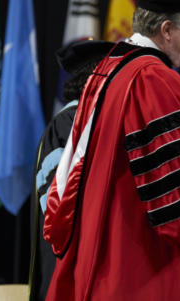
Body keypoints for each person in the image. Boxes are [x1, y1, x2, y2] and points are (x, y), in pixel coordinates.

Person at [42, 0, 180, 301]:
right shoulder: (150, 77)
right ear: (166, 29)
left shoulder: (108, 69)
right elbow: (177, 193)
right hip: (137, 257)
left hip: (99, 237)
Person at [30, 39, 115, 301]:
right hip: (69, 271)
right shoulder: (69, 124)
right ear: (96, 80)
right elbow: (58, 207)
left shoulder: (93, 123)